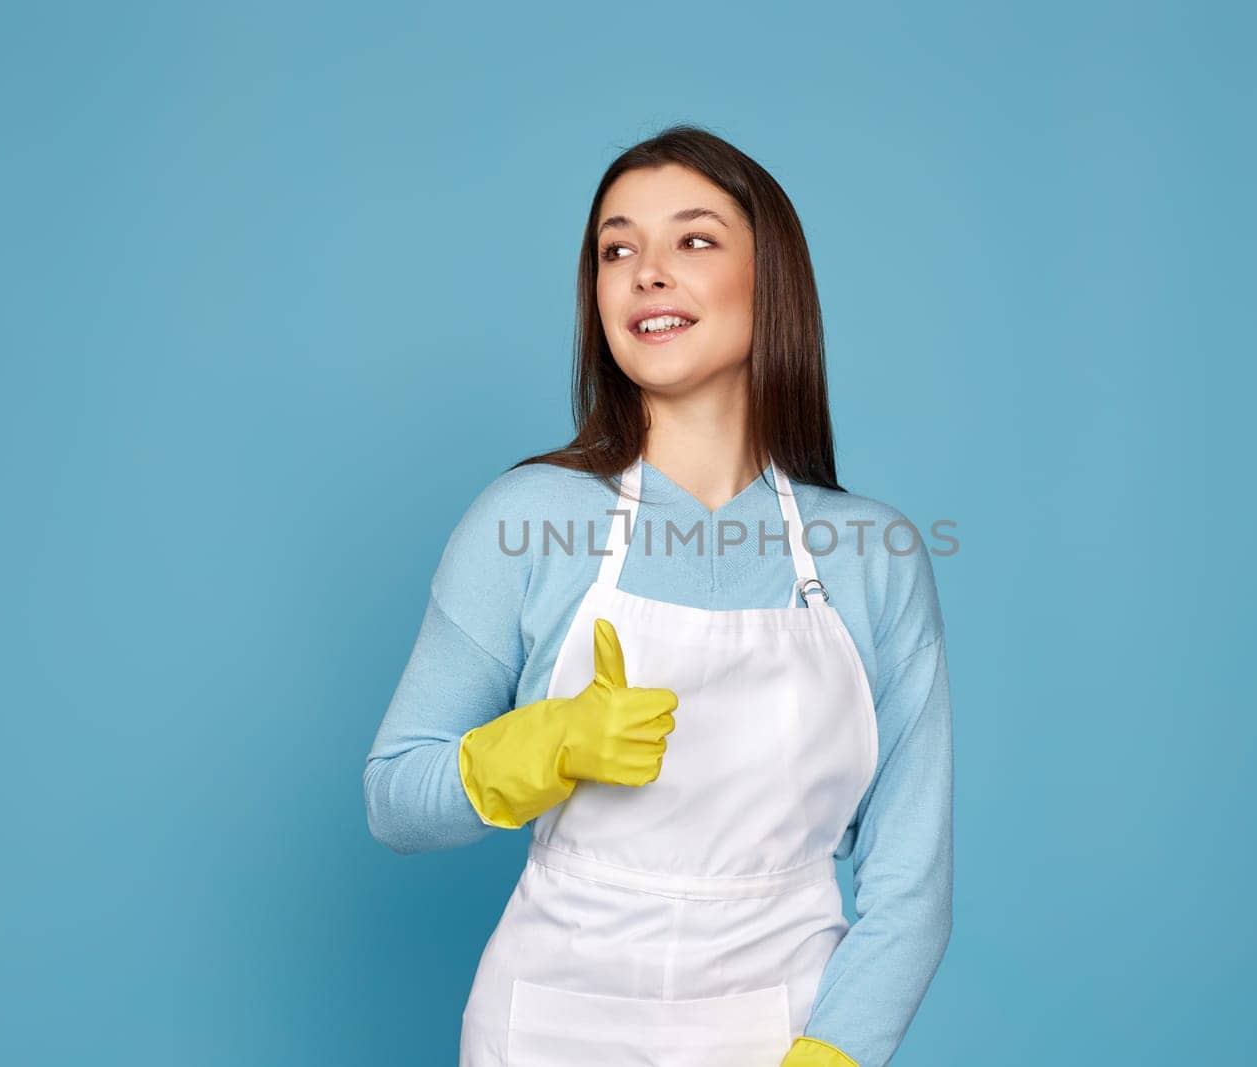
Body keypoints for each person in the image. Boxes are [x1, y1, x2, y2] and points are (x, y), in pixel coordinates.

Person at [363, 124, 954, 1067]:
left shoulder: (870, 554)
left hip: (781, 1026)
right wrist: (537, 747)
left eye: (695, 240)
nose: (647, 272)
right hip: (548, 1029)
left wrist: (832, 1054)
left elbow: (911, 885)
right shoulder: (526, 521)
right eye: (617, 248)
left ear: (774, 282)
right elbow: (395, 798)